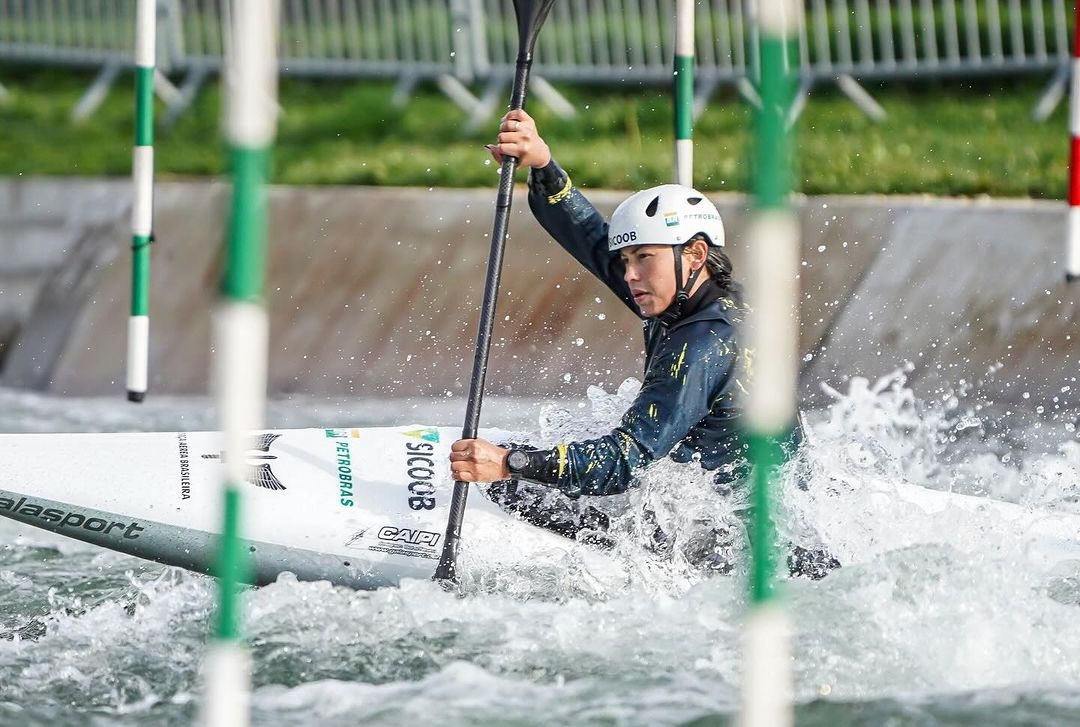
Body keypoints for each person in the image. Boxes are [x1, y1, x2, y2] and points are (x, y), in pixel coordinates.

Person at [449, 110, 834, 577]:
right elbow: (593, 243)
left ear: (694, 252)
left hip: (737, 549)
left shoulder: (701, 345)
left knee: (517, 484)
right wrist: (543, 166)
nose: (629, 275)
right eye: (626, 259)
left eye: (643, 259)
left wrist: (511, 463)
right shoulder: (693, 296)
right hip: (752, 511)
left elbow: (624, 461)